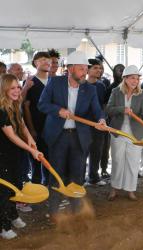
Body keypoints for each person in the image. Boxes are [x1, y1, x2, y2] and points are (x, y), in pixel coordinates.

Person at [38, 51, 106, 218]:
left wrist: (101, 119)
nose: (85, 72)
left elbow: (97, 109)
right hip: (58, 136)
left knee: (77, 174)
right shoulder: (54, 83)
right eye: (82, 68)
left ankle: (76, 209)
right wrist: (58, 110)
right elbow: (42, 104)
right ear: (70, 69)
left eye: (85, 68)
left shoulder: (89, 89)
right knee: (57, 173)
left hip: (79, 136)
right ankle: (54, 210)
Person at [0, 74, 41, 239]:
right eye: (12, 88)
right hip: (2, 156)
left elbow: (22, 126)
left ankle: (13, 215)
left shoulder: (15, 105)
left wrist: (31, 141)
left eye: (18, 87)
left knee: (15, 186)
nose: (17, 91)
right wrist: (32, 151)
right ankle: (3, 226)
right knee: (4, 191)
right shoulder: (1, 110)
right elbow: (12, 136)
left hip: (15, 154)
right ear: (4, 89)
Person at [106, 65, 143, 201]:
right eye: (132, 78)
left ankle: (131, 190)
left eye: (137, 79)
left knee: (133, 162)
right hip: (117, 132)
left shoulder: (142, 95)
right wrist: (122, 109)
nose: (135, 81)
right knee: (117, 161)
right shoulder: (115, 92)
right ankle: (114, 188)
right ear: (125, 79)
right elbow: (108, 109)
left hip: (135, 134)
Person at [23, 52, 51, 185]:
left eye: (49, 60)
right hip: (36, 128)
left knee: (50, 161)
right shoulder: (30, 82)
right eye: (43, 59)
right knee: (36, 162)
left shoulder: (54, 82)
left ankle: (49, 188)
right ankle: (37, 190)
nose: (47, 62)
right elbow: (26, 107)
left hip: (53, 128)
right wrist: (32, 129)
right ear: (35, 62)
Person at [86, 58, 107, 185]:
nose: (99, 70)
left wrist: (103, 118)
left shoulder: (101, 86)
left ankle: (94, 177)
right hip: (84, 124)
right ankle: (80, 179)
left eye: (100, 68)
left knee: (97, 151)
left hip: (99, 124)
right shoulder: (81, 85)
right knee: (82, 152)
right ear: (87, 70)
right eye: (95, 68)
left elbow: (103, 104)